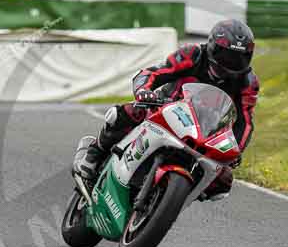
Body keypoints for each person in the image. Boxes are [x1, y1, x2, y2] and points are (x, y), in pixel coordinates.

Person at [74, 19, 259, 200]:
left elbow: (246, 121)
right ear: (212, 47)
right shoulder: (193, 55)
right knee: (124, 114)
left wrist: (237, 150)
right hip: (166, 108)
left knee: (223, 181)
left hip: (204, 131)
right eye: (226, 55)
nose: (231, 63)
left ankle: (172, 197)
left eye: (239, 58)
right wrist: (144, 92)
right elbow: (153, 72)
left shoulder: (248, 83)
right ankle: (93, 154)